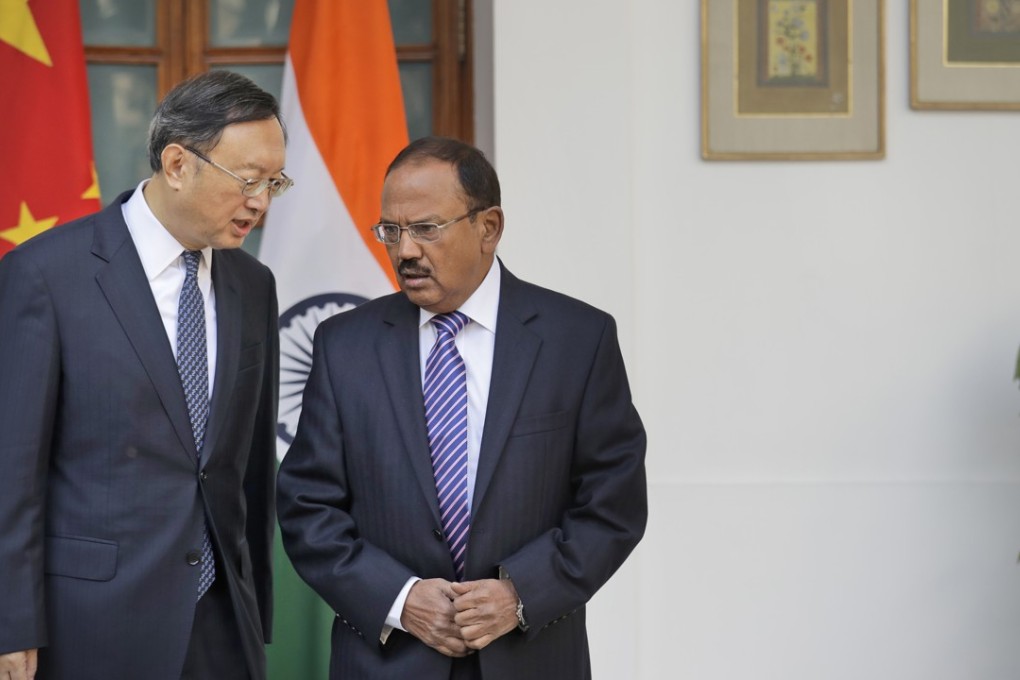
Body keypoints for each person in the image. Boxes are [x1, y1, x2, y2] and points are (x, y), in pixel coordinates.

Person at [276, 136, 647, 679]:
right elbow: (308, 507)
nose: (404, 251)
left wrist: (520, 593)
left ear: (488, 227)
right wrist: (401, 600)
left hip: (531, 658)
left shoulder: (577, 340)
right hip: (387, 661)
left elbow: (612, 504)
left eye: (426, 229)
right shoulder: (344, 346)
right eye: (391, 231)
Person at [0, 70, 289, 680]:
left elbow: (249, 466)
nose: (261, 202)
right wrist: (11, 624)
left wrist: (254, 607)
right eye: (248, 181)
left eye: (274, 183)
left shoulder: (252, 284)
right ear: (178, 163)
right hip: (91, 626)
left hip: (221, 624)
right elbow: (12, 472)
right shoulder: (46, 275)